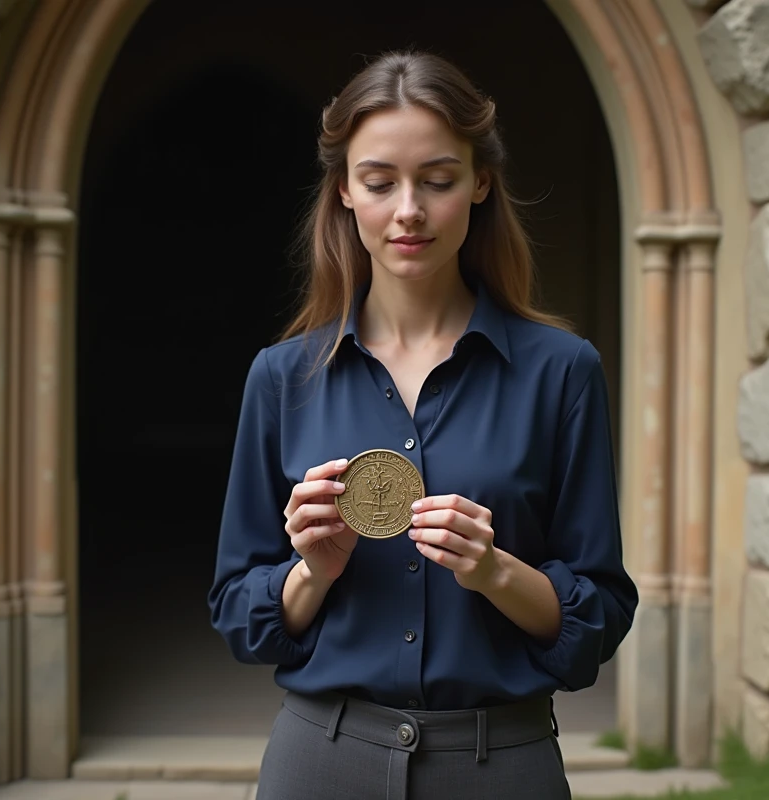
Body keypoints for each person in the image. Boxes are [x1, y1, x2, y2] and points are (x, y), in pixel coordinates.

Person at [208, 49, 638, 800]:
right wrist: (314, 571)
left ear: (479, 183)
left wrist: (495, 571)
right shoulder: (280, 378)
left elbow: (597, 620)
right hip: (320, 762)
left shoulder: (561, 372)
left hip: (502, 765)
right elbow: (239, 615)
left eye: (437, 180)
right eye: (380, 182)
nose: (409, 208)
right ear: (344, 190)